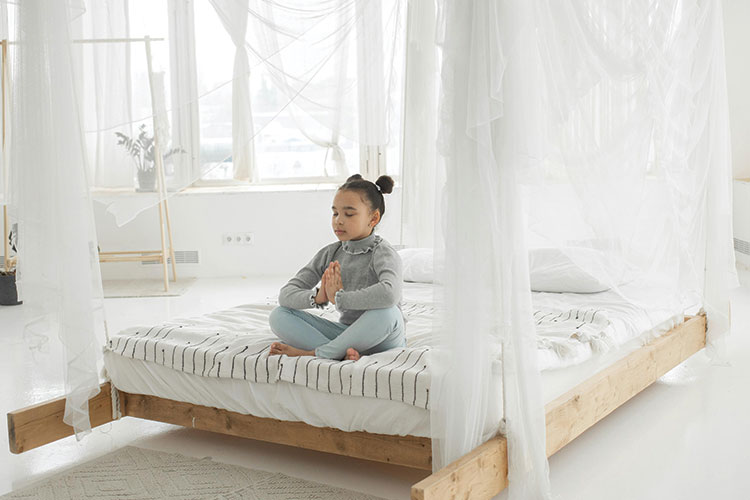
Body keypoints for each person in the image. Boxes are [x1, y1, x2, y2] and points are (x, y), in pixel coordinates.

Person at [269, 174, 405, 361]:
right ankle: (342, 352)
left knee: (389, 312)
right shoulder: (330, 253)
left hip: (384, 337)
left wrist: (340, 299)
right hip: (346, 334)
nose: (338, 220)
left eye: (349, 214)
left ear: (373, 219)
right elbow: (286, 295)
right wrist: (319, 297)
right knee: (279, 315)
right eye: (335, 213)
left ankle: (320, 353)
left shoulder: (383, 252)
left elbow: (390, 294)